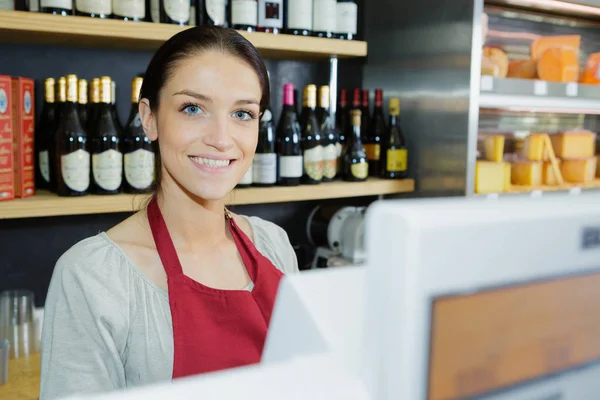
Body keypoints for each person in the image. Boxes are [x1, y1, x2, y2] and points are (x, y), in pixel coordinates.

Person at [40, 26, 299, 400]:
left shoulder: (275, 245)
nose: (222, 138)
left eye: (243, 113)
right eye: (193, 108)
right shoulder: (91, 276)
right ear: (149, 118)